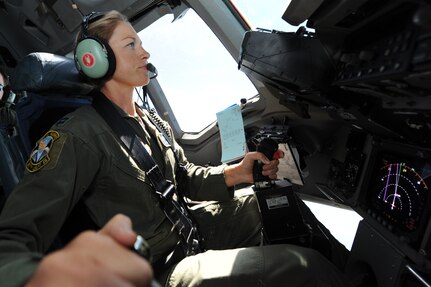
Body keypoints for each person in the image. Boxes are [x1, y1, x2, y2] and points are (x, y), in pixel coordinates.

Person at [0, 10, 351, 287]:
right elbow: (14, 236)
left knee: (279, 203)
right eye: (131, 46)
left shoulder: (150, 121)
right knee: (306, 268)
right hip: (159, 268)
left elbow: (185, 178)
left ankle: (351, 274)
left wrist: (237, 172)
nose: (145, 52)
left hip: (189, 230)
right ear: (96, 59)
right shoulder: (78, 137)